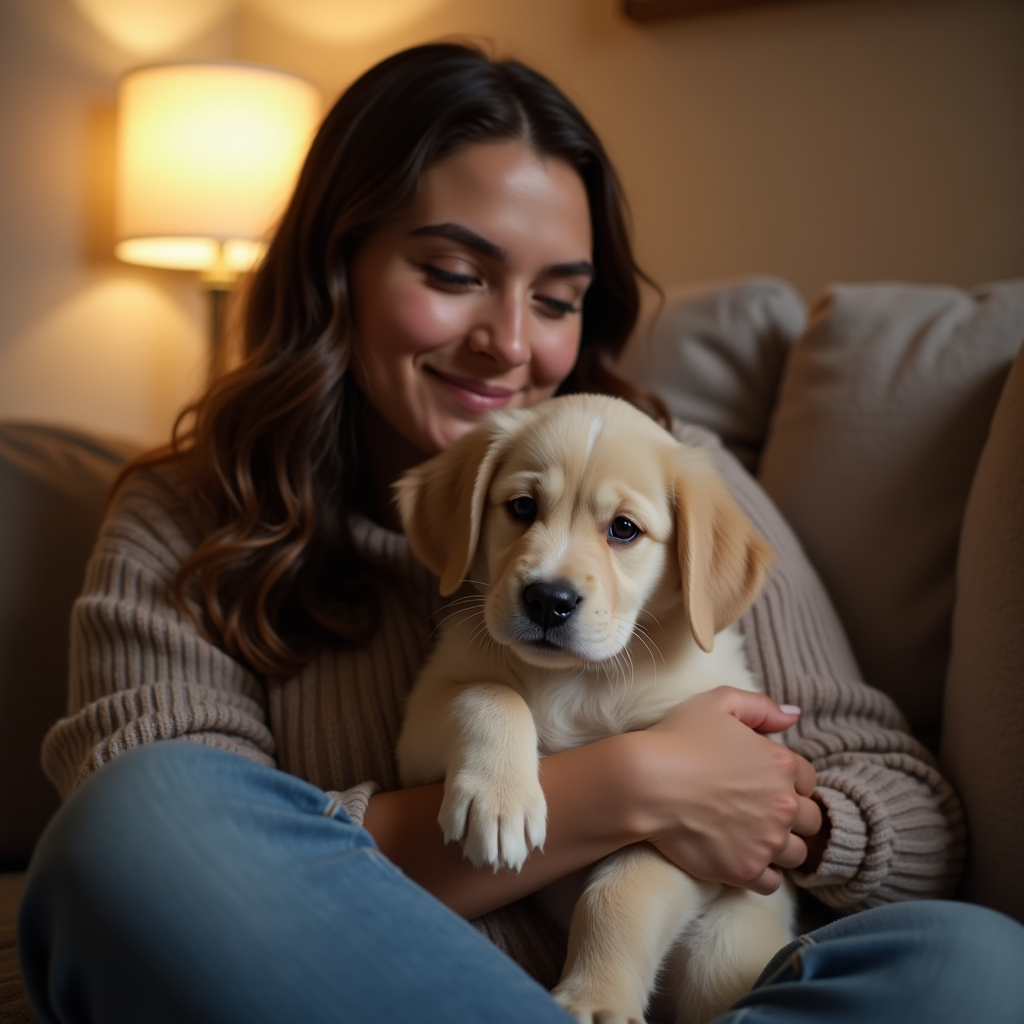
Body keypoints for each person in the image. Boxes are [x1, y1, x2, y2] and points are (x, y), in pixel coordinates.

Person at [17, 43, 1024, 1024]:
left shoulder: (678, 475)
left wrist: (781, 817)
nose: (509, 342)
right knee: (131, 820)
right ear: (337, 266)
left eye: (555, 300)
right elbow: (176, 862)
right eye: (454, 272)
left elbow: (913, 816)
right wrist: (629, 786)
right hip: (369, 983)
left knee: (971, 962)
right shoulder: (187, 517)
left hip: (704, 985)